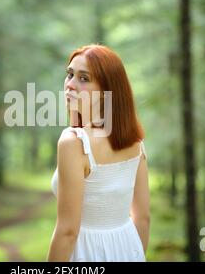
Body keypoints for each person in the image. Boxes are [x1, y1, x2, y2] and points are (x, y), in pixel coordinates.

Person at [47, 44, 150, 262]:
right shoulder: (136, 141)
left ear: (106, 92)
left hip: (85, 254)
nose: (70, 85)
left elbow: (67, 232)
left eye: (84, 78)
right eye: (70, 74)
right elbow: (142, 218)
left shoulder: (73, 143)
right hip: (128, 249)